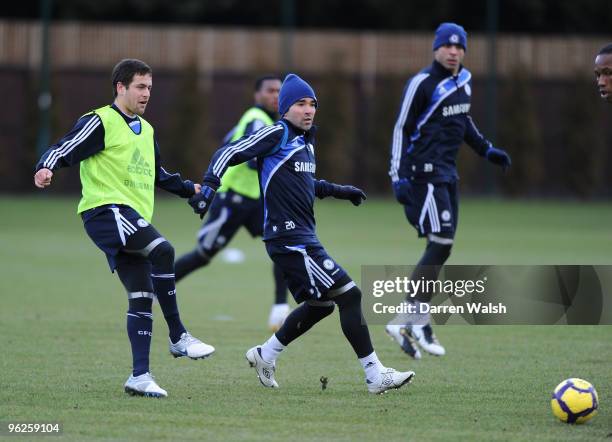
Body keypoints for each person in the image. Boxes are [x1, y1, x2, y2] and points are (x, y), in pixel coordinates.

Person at [188, 74, 414, 394]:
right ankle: (375, 375)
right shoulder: (278, 133)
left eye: (312, 104)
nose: (308, 110)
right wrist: (209, 187)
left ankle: (266, 354)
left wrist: (340, 190)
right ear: (284, 109)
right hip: (289, 239)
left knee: (322, 305)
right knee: (350, 295)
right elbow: (228, 152)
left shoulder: (304, 143)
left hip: (302, 238)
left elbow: (308, 185)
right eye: (300, 104)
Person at [33, 59, 215, 398]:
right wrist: (47, 166)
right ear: (120, 87)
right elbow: (65, 147)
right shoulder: (100, 120)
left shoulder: (146, 130)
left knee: (142, 295)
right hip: (106, 212)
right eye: (140, 87)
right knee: (163, 250)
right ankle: (178, 336)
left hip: (130, 219)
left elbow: (159, 175)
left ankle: (140, 376)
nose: (146, 94)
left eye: (149, 87)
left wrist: (190, 189)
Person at [386, 23, 512, 359]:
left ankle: (409, 318)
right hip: (422, 175)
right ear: (436, 48)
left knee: (442, 247)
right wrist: (397, 175)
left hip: (447, 174)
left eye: (460, 47)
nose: (454, 51)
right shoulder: (422, 83)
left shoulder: (464, 82)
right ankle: (414, 319)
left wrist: (486, 150)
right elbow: (401, 128)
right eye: (448, 46)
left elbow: (463, 121)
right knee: (440, 243)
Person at [174, 75, 291, 331]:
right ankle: (152, 286)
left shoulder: (265, 122)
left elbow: (228, 142)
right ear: (256, 95)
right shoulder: (257, 119)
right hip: (232, 200)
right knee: (203, 255)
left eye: (279, 92)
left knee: (284, 241)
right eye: (270, 90)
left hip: (255, 201)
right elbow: (251, 159)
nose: (275, 95)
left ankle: (280, 308)